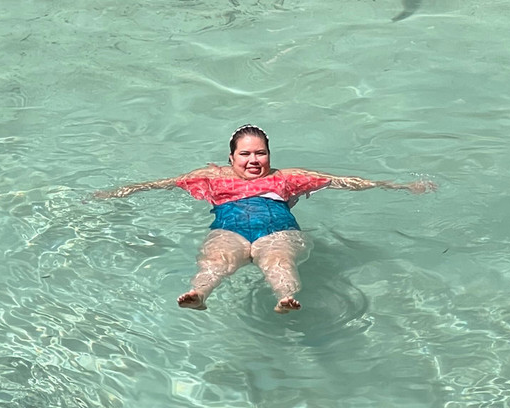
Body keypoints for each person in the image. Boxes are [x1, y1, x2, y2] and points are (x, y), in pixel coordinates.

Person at [94, 124, 434, 313]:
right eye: (245, 154)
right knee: (217, 258)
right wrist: (121, 191)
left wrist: (400, 186)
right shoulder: (212, 178)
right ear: (231, 157)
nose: (254, 160)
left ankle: (284, 297)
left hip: (279, 230)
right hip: (229, 229)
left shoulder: (287, 177)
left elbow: (341, 181)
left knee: (278, 260)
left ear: (270, 155)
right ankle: (199, 293)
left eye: (261, 153)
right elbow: (165, 183)